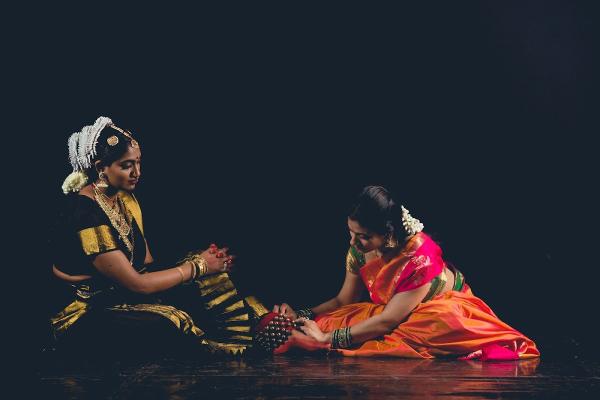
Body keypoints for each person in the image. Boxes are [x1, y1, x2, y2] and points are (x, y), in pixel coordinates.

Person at [48, 116, 267, 355]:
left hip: (121, 296)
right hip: (83, 314)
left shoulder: (123, 198)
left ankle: (262, 328)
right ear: (101, 168)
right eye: (126, 165)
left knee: (208, 280)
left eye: (139, 162)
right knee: (172, 321)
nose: (137, 172)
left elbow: (146, 265)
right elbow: (138, 284)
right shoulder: (85, 214)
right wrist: (198, 267)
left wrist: (208, 264)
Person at [272, 186, 539, 360]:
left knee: (429, 327)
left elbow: (389, 320)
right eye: (350, 233)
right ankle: (323, 339)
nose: (354, 243)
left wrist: (326, 339)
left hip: (436, 311)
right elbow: (344, 300)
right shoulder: (358, 250)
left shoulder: (418, 256)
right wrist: (303, 313)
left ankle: (323, 344)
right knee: (331, 319)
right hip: (392, 310)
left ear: (388, 234)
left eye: (363, 237)